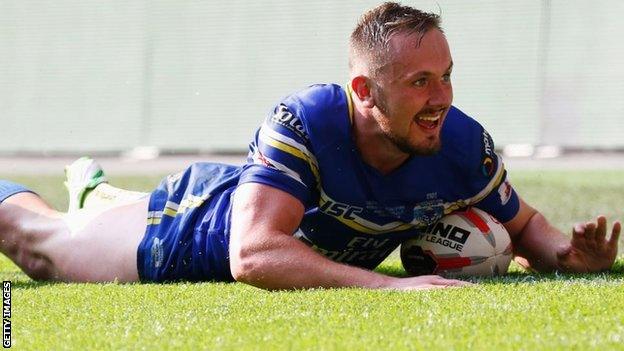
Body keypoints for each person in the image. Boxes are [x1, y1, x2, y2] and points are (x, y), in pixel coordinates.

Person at [0, 2, 620, 290]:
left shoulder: (460, 143)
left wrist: (569, 256)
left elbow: (529, 228)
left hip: (249, 196)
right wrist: (388, 288)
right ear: (364, 91)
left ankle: (98, 193)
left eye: (447, 74)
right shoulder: (306, 121)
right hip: (192, 232)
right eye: (420, 82)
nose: (442, 97)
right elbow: (251, 256)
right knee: (37, 245)